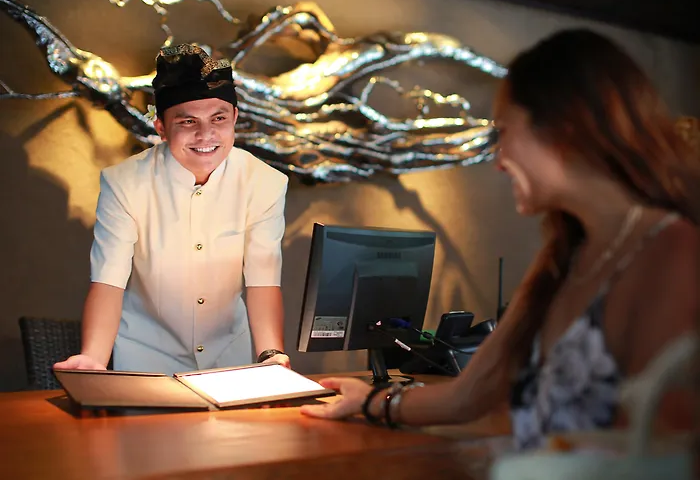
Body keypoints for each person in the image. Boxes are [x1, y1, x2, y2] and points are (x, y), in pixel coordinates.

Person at [300, 29, 700, 450]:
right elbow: (468, 394)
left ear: (563, 130)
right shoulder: (563, 258)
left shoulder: (671, 252)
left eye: (503, 133)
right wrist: (370, 401)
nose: (498, 160)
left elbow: (664, 450)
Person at [54, 43, 290, 374]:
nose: (206, 134)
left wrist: (271, 354)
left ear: (235, 118)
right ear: (161, 128)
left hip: (227, 356)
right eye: (187, 121)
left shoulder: (265, 182)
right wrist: (94, 358)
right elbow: (109, 280)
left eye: (219, 118)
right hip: (145, 357)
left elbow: (263, 279)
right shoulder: (124, 183)